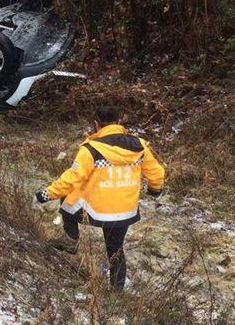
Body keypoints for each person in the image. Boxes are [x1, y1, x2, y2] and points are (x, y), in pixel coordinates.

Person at [35, 104, 165, 288]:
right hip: (125, 211)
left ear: (96, 124)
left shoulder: (90, 149)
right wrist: (155, 189)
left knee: (67, 198)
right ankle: (117, 291)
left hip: (96, 211)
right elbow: (156, 172)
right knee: (115, 249)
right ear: (119, 122)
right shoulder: (140, 146)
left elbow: (72, 179)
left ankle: (71, 238)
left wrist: (45, 195)